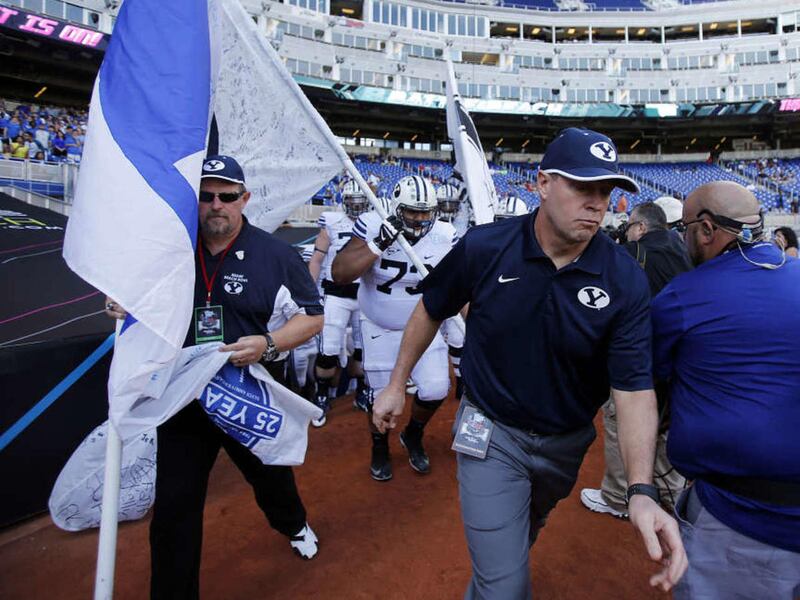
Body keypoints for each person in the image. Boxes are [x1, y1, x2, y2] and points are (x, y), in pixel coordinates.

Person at [373, 128, 687, 598]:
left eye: (606, 192)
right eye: (583, 187)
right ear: (542, 184)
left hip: (565, 444)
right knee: (506, 585)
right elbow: (432, 307)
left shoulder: (624, 278)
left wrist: (640, 489)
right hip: (490, 431)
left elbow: (634, 387)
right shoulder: (485, 246)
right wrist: (397, 383)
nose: (597, 203)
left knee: (519, 541)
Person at [105, 155, 324, 600]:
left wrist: (269, 343)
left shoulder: (277, 255)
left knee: (271, 479)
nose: (216, 205)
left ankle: (293, 523)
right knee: (175, 506)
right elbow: (133, 298)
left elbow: (313, 319)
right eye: (206, 197)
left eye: (227, 196)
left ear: (244, 199)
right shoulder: (169, 251)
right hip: (184, 396)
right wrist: (122, 304)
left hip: (247, 392)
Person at [651, 181, 800, 599]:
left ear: (705, 229)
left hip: (743, 519)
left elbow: (649, 381)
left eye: (683, 228)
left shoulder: (682, 296)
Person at [332, 175, 456, 482]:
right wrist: (378, 244)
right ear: (396, 208)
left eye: (425, 212)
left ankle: (413, 434)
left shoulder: (444, 234)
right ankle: (380, 445)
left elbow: (458, 282)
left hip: (423, 324)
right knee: (379, 397)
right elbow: (340, 274)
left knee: (436, 388)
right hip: (379, 325)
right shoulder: (373, 224)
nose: (419, 219)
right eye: (412, 211)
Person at [581, 201, 691, 519]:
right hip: (683, 358)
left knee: (621, 420)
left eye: (630, 226)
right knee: (667, 425)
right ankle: (668, 493)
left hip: (641, 356)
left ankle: (617, 495)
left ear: (641, 227)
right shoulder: (685, 249)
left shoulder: (632, 253)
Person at [307, 179, 371, 426]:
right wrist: (309, 292)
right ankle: (322, 394)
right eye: (352, 202)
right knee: (329, 350)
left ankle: (362, 391)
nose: (356, 207)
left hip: (365, 295)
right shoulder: (331, 222)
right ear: (343, 202)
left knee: (363, 350)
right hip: (335, 294)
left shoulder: (374, 221)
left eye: (360, 202)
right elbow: (316, 259)